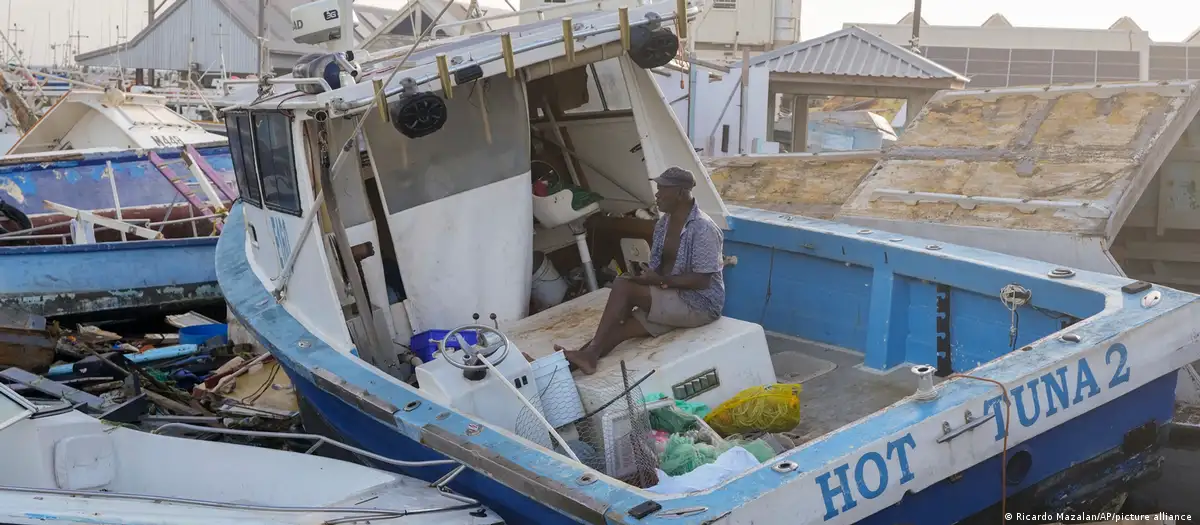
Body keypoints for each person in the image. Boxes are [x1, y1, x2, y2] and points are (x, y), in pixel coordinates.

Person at [557, 167, 725, 375]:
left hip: (699, 304)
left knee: (623, 288)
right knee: (618, 327)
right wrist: (646, 279)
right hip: (672, 297)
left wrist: (660, 282)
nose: (657, 194)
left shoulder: (703, 229)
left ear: (681, 193)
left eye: (663, 189)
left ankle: (586, 355)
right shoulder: (664, 223)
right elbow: (658, 267)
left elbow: (702, 281)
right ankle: (566, 366)